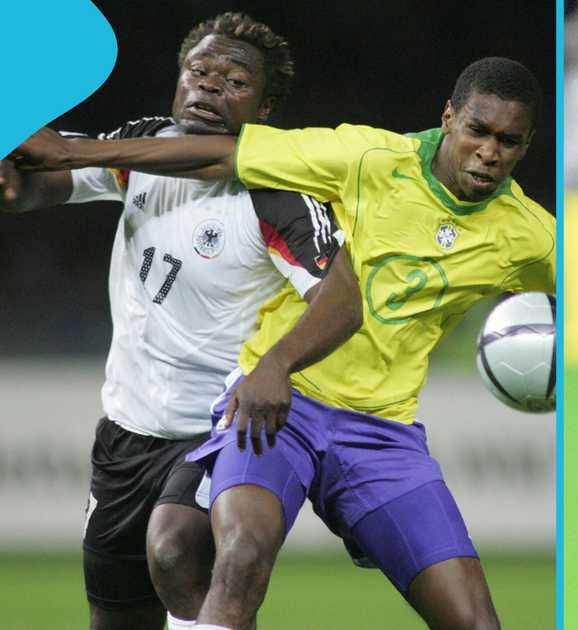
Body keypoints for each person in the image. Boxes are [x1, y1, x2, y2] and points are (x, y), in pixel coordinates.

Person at [12, 56, 555, 630]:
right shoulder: (364, 156)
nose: (489, 152)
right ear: (448, 117)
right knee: (236, 553)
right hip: (278, 405)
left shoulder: (530, 235)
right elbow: (223, 155)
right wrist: (72, 152)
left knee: (475, 621)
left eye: (508, 141)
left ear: (526, 145)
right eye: (477, 130)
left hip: (380, 433)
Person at [0, 12, 362, 630]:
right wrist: (12, 182)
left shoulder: (278, 191)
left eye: (234, 80)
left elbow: (342, 299)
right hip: (126, 432)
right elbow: (39, 186)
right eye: (199, 70)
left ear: (264, 109)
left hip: (221, 430)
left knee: (175, 551)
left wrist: (277, 365)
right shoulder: (141, 146)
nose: (210, 85)